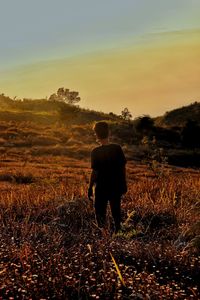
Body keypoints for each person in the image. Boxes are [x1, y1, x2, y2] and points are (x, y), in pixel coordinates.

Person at [88, 121, 127, 233]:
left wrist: (90, 187)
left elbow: (95, 172)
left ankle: (103, 237)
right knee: (116, 213)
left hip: (101, 187)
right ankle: (118, 234)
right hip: (115, 185)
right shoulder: (117, 148)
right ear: (108, 133)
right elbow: (122, 168)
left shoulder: (95, 152)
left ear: (96, 134)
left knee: (100, 215)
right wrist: (123, 183)